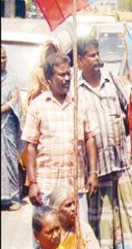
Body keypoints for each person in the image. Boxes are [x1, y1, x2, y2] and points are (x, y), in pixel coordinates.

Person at [77, 37, 132, 249]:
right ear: (80, 60)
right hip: (96, 173)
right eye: (91, 56)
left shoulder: (112, 80)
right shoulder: (77, 91)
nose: (97, 60)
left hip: (121, 165)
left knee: (127, 221)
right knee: (102, 229)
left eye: (97, 54)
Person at [22, 52, 98, 212]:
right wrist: (33, 183)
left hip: (75, 187)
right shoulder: (37, 106)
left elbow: (90, 138)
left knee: (79, 235)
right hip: (46, 187)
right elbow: (30, 146)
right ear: (49, 78)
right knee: (48, 235)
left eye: (68, 74)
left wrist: (93, 173)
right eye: (61, 75)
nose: (66, 79)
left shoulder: (80, 103)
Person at [1, 45, 23, 210]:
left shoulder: (12, 79)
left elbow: (14, 100)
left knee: (9, 159)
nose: (2, 61)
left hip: (6, 125)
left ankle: (14, 198)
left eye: (4, 57)